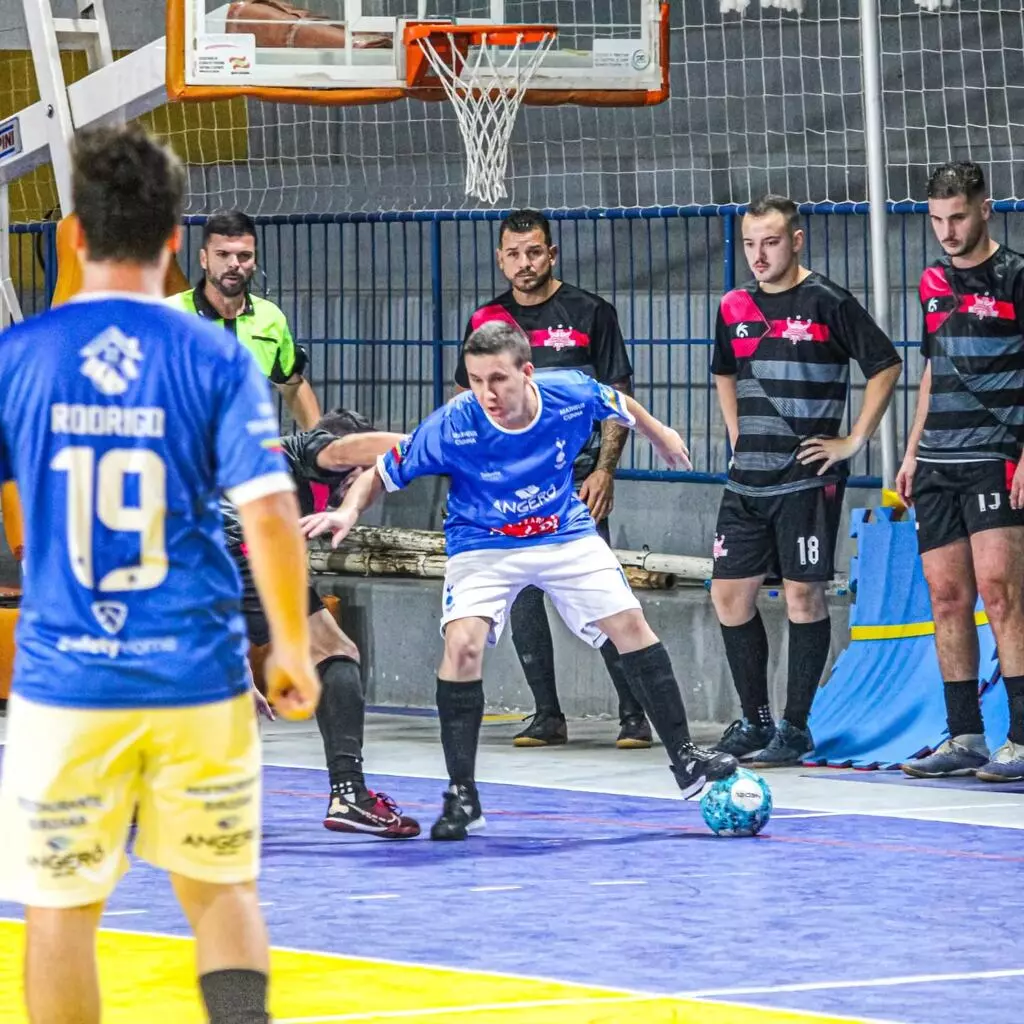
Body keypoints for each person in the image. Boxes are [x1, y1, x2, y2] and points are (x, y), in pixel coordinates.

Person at [0, 124, 320, 1024]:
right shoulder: (215, 355)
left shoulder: (19, 359)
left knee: (60, 913)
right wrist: (290, 646)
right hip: (195, 673)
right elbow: (269, 511)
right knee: (220, 894)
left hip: (67, 684)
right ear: (177, 242)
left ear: (72, 235)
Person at [302, 319, 739, 840]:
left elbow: (619, 404)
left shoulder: (568, 393)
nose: (486, 392)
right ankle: (462, 796)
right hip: (483, 541)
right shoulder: (455, 423)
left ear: (526, 373)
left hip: (562, 530)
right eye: (475, 379)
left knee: (630, 624)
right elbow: (382, 471)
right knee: (462, 646)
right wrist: (349, 510)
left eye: (498, 379)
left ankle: (685, 759)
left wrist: (661, 433)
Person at [710, 194, 902, 767]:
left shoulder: (828, 301)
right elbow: (723, 370)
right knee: (729, 596)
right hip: (748, 478)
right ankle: (755, 721)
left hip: (806, 474)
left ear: (796, 240)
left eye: (770, 242)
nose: (758, 255)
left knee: (802, 594)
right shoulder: (734, 305)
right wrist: (737, 433)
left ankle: (795, 728)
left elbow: (885, 364)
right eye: (749, 243)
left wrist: (854, 440)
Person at [454, 208, 652, 749]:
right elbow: (464, 401)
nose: (524, 263)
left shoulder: (591, 312)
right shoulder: (486, 321)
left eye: (534, 252)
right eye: (513, 254)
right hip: (506, 487)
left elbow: (618, 398)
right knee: (521, 595)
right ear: (500, 259)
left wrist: (606, 469)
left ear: (552, 254)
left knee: (603, 596)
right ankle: (547, 715)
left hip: (576, 483)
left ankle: (634, 714)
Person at [225, 408, 420, 837]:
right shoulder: (309, 451)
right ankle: (349, 793)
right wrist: (448, 441)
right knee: (334, 651)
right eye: (367, 475)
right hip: (244, 555)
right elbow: (352, 448)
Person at [897, 162, 1024, 782]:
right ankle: (965, 737)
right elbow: (931, 371)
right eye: (937, 220)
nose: (947, 231)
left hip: (997, 456)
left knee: (1001, 594)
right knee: (948, 598)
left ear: (985, 209)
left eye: (958, 217)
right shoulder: (930, 282)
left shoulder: (1018, 276)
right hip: (939, 461)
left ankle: (1022, 740)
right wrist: (912, 450)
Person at [167, 209, 321, 428]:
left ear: (254, 261)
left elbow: (292, 384)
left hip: (244, 454)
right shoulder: (169, 316)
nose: (233, 264)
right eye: (222, 254)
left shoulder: (270, 318)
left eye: (244, 256)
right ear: (204, 259)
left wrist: (321, 445)